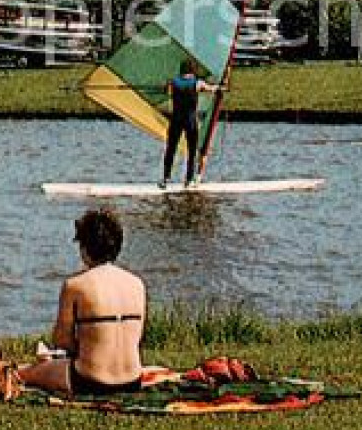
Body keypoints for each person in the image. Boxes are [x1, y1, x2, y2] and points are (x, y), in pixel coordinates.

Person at [14, 208, 147, 395]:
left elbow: (62, 339)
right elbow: (136, 337)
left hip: (88, 381)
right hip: (132, 381)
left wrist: (82, 348)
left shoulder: (75, 285)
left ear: (84, 248)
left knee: (26, 372)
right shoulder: (137, 283)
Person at [161, 58, 223, 188]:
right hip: (190, 121)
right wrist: (219, 88)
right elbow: (211, 89)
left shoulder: (173, 82)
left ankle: (165, 179)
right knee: (192, 150)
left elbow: (166, 90)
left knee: (171, 149)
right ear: (193, 70)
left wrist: (166, 87)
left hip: (176, 120)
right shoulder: (197, 83)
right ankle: (188, 180)